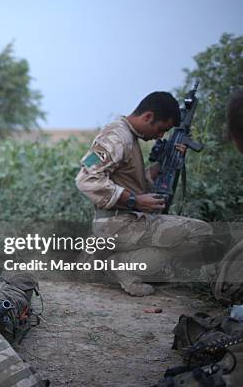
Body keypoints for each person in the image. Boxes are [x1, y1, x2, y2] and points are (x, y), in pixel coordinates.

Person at [75, 91, 213, 296]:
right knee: (201, 233)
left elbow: (129, 180)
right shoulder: (117, 136)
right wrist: (134, 201)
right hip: (120, 223)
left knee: (170, 247)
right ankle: (121, 265)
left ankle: (103, 258)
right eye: (160, 129)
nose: (159, 136)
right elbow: (86, 178)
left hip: (122, 222)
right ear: (148, 116)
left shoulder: (127, 136)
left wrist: (164, 165)